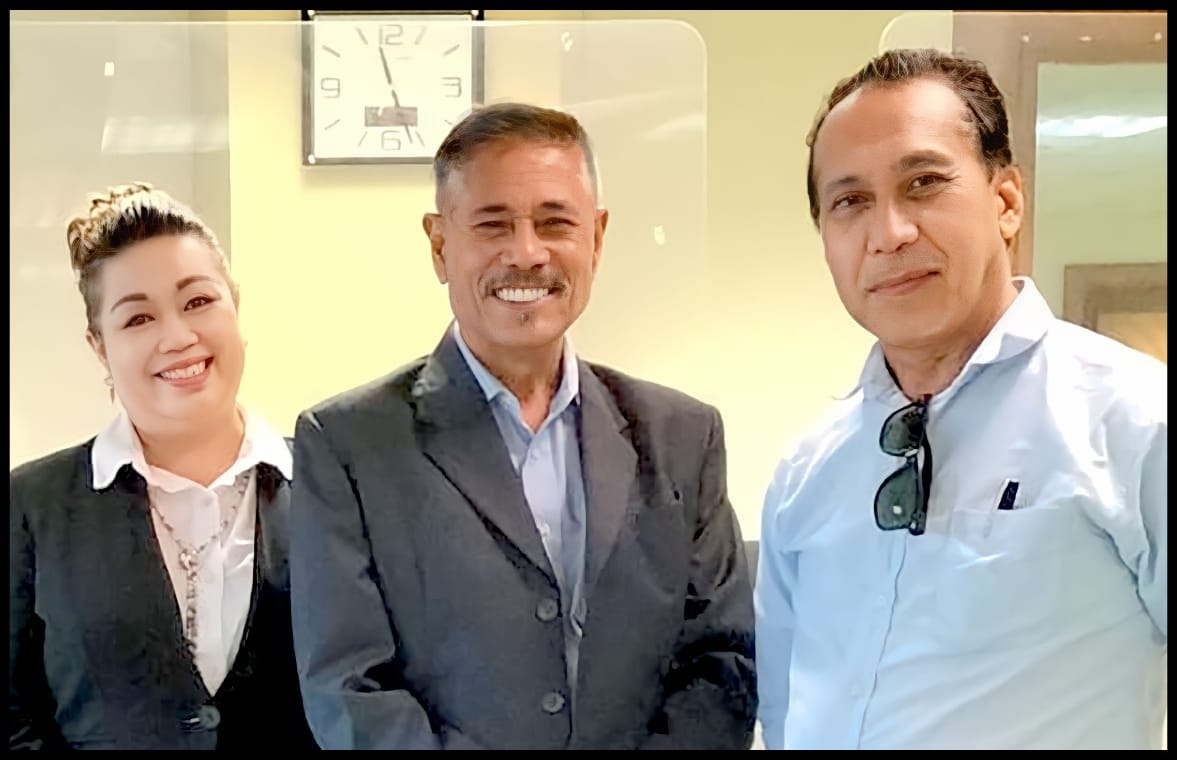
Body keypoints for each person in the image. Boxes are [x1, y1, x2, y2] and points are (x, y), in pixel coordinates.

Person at [289, 102, 757, 750]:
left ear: (596, 238)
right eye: (493, 224)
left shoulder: (681, 437)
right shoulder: (348, 446)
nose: (527, 253)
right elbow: (350, 692)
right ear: (439, 244)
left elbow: (721, 666)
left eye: (554, 222)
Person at [754, 48, 1167, 750]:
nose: (889, 235)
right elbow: (786, 708)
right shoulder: (806, 471)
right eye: (850, 202)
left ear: (1005, 202)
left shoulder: (1130, 420)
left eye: (923, 183)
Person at [9, 183, 318, 750]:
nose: (177, 337)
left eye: (198, 302)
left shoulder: (332, 484)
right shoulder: (29, 508)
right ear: (99, 347)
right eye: (137, 319)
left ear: (235, 306)